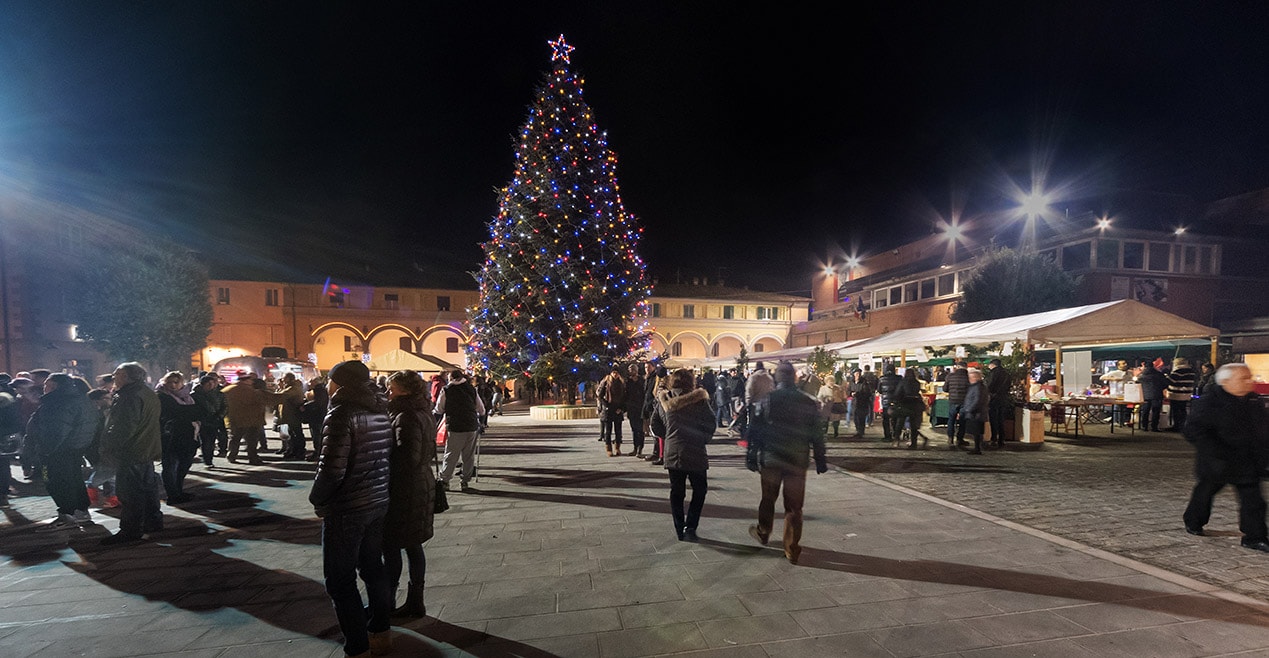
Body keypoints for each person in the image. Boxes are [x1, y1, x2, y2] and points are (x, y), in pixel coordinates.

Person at [311, 360, 394, 657]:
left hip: (348, 507)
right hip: (376, 500)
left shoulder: (341, 414)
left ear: (340, 383)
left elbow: (331, 469)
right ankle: (381, 632)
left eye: (330, 380)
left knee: (340, 580)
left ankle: (358, 648)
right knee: (373, 567)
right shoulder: (380, 410)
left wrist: (317, 499)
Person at [746, 361, 827, 565]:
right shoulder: (807, 402)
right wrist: (820, 458)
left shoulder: (767, 400)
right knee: (794, 507)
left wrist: (751, 454)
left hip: (772, 458)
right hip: (796, 461)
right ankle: (791, 548)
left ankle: (763, 531)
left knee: (768, 498)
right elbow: (817, 434)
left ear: (777, 378)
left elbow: (755, 431)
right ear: (794, 378)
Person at [1181, 364, 1269, 552]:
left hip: (1247, 461)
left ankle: (1254, 536)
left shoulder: (1254, 401)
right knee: (1205, 493)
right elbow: (1193, 430)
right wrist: (1214, 451)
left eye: (1249, 377)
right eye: (1243, 378)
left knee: (1254, 500)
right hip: (1217, 461)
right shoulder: (1208, 401)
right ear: (1226, 382)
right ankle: (1194, 521)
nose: (1249, 382)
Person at [383, 370, 436, 619]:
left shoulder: (405, 416)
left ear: (405, 390)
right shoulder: (422, 410)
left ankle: (389, 600)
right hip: (419, 484)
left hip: (405, 489)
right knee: (413, 545)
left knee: (393, 544)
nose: (387, 392)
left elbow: (407, 458)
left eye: (391, 387)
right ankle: (415, 600)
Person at [99, 362, 164, 546]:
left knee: (130, 493)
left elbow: (123, 428)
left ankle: (131, 530)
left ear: (127, 377)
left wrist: (109, 447)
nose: (114, 376)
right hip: (146, 447)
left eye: (117, 373)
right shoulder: (146, 392)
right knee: (148, 489)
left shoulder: (129, 396)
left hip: (132, 451)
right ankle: (153, 521)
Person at [26, 373, 98, 530]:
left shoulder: (56, 402)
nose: (44, 387)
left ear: (55, 386)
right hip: (75, 448)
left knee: (56, 482)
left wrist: (45, 451)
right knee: (74, 479)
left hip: (58, 450)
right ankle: (80, 511)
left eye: (47, 384)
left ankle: (67, 514)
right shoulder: (79, 399)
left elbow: (56, 431)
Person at [650, 368, 714, 542]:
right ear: (690, 381)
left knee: (677, 492)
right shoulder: (699, 400)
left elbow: (654, 424)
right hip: (696, 451)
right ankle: (691, 526)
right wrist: (703, 438)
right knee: (700, 490)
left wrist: (668, 436)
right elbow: (711, 422)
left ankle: (679, 528)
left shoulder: (665, 399)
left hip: (673, 453)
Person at [156, 371, 201, 504]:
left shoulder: (187, 396)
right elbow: (174, 413)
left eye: (176, 382)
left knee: (184, 464)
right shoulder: (161, 396)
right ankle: (172, 495)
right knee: (170, 466)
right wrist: (190, 413)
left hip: (187, 435)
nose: (173, 385)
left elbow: (195, 412)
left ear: (182, 383)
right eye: (170, 382)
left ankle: (179, 491)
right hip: (170, 437)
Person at [435, 370, 484, 492]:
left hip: (455, 426)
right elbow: (481, 409)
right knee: (468, 455)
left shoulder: (446, 389)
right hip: (471, 425)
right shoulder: (471, 389)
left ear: (450, 377)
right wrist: (481, 421)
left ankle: (445, 480)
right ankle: (465, 481)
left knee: (451, 454)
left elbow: (439, 409)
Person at [223, 372, 279, 465]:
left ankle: (231, 456)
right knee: (251, 441)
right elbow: (268, 400)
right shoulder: (252, 391)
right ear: (247, 380)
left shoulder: (228, 389)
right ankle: (253, 458)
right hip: (252, 420)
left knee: (235, 439)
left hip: (235, 419)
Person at [191, 375, 225, 467]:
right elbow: (193, 409)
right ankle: (207, 460)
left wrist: (219, 416)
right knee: (205, 441)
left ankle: (209, 458)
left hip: (215, 421)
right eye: (208, 384)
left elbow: (225, 407)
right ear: (202, 385)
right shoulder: (195, 395)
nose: (211, 385)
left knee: (212, 440)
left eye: (212, 383)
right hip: (202, 422)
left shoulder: (219, 394)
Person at [891, 368, 928, 448]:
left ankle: (896, 440)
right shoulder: (917, 383)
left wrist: (895, 401)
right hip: (914, 405)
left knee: (900, 423)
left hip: (904, 404)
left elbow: (897, 393)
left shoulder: (903, 382)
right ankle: (913, 443)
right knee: (913, 425)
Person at [277, 372, 308, 458]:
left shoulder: (293, 388)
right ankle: (294, 450)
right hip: (289, 415)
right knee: (291, 434)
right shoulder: (289, 387)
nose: (282, 380)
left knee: (297, 433)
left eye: (284, 378)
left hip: (293, 415)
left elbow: (281, 396)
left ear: (290, 379)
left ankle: (300, 451)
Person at [596, 367, 626, 457]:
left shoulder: (621, 383)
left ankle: (617, 448)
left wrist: (621, 408)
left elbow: (624, 397)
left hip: (618, 409)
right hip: (608, 409)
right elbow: (600, 396)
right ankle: (609, 449)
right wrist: (606, 405)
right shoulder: (606, 382)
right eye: (613, 372)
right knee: (608, 431)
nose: (615, 374)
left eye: (616, 372)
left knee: (618, 431)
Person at [960, 368, 989, 455]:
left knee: (976, 432)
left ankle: (977, 448)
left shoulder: (977, 387)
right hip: (978, 412)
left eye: (971, 377)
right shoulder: (981, 386)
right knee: (977, 432)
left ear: (975, 378)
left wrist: (969, 409)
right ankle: (977, 447)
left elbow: (977, 400)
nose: (970, 379)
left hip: (975, 413)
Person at [985, 358, 1012, 449]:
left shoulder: (993, 373)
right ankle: (1002, 439)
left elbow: (989, 385)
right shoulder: (1006, 374)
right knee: (1001, 419)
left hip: (994, 398)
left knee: (993, 419)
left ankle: (994, 439)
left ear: (993, 365)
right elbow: (1008, 386)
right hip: (1004, 398)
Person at [1166, 357, 1198, 431]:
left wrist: (1167, 376)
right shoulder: (1191, 371)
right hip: (1187, 393)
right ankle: (1183, 425)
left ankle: (1177, 426)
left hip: (1177, 394)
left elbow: (1170, 381)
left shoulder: (1178, 371)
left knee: (1176, 410)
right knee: (1183, 410)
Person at [943, 361, 969, 448]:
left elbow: (945, 389)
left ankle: (950, 438)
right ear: (966, 367)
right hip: (964, 401)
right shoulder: (968, 377)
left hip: (953, 400)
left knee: (951, 419)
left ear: (957, 367)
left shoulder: (950, 376)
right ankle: (959, 439)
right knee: (962, 421)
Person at [1137, 359, 1167, 432]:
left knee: (1145, 411)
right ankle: (1154, 427)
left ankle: (1144, 426)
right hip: (1157, 395)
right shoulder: (1159, 374)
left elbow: (1137, 385)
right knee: (1156, 411)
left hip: (1145, 395)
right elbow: (1165, 384)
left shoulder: (1141, 375)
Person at [623, 364, 647, 457]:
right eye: (629, 369)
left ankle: (640, 449)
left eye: (632, 369)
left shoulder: (642, 381)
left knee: (640, 430)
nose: (630, 371)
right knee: (634, 429)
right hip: (632, 409)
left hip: (640, 408)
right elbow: (626, 395)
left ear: (636, 371)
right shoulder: (628, 382)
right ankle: (635, 448)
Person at [875, 364, 901, 444]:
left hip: (886, 401)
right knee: (895, 419)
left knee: (886, 419)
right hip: (896, 401)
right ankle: (896, 435)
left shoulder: (882, 379)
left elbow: (879, 390)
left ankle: (887, 436)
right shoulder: (899, 378)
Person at [817, 374, 846, 439]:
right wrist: (823, 401)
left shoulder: (838, 388)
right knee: (825, 420)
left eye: (832, 381)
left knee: (836, 420)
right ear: (826, 382)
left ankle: (836, 432)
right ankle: (825, 433)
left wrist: (839, 398)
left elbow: (842, 396)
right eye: (830, 381)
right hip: (826, 406)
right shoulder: (823, 388)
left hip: (836, 405)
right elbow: (819, 397)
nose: (831, 383)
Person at [849, 369, 875, 439]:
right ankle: (858, 431)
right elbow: (848, 391)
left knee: (861, 418)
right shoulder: (852, 382)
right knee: (855, 418)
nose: (858, 375)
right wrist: (851, 394)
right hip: (854, 403)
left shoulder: (864, 382)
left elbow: (867, 393)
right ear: (854, 374)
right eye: (857, 374)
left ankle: (860, 432)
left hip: (862, 403)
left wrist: (858, 394)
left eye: (859, 374)